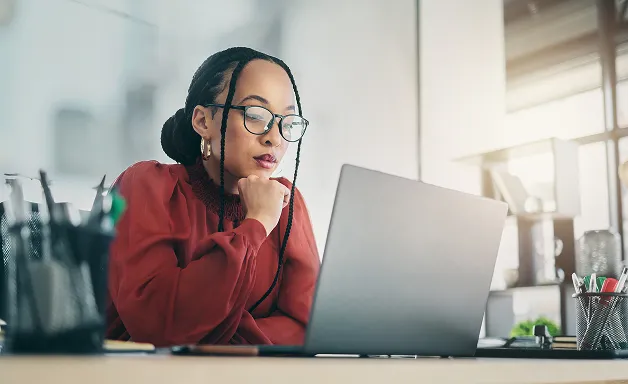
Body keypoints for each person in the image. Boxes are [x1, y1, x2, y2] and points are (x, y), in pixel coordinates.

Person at [105, 47, 320, 347]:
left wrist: (212, 334)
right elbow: (157, 325)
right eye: (256, 115)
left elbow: (306, 328)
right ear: (204, 122)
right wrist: (256, 223)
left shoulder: (286, 202)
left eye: (287, 121)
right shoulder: (146, 185)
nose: (274, 137)